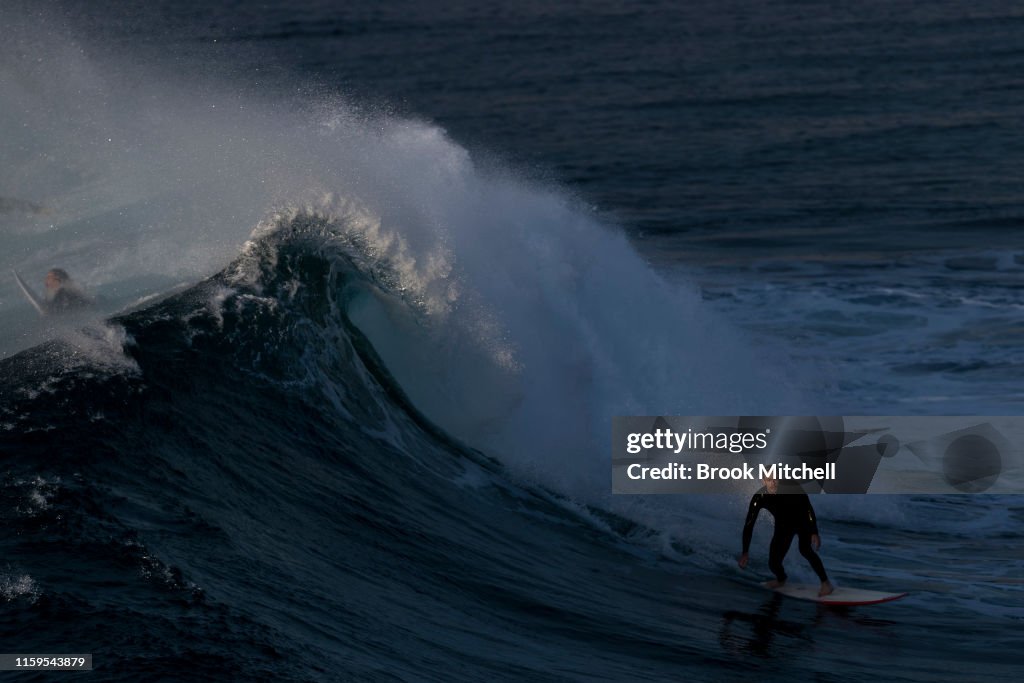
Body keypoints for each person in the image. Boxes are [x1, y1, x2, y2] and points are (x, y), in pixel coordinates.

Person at [737, 474, 834, 596]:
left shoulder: (791, 485)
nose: (773, 482)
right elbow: (749, 524)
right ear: (763, 481)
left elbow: (807, 507)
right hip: (783, 527)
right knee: (773, 563)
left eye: (775, 479)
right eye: (768, 480)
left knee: (805, 549)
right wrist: (745, 551)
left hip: (801, 521)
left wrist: (814, 531)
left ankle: (826, 584)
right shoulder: (759, 497)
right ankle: (781, 579)